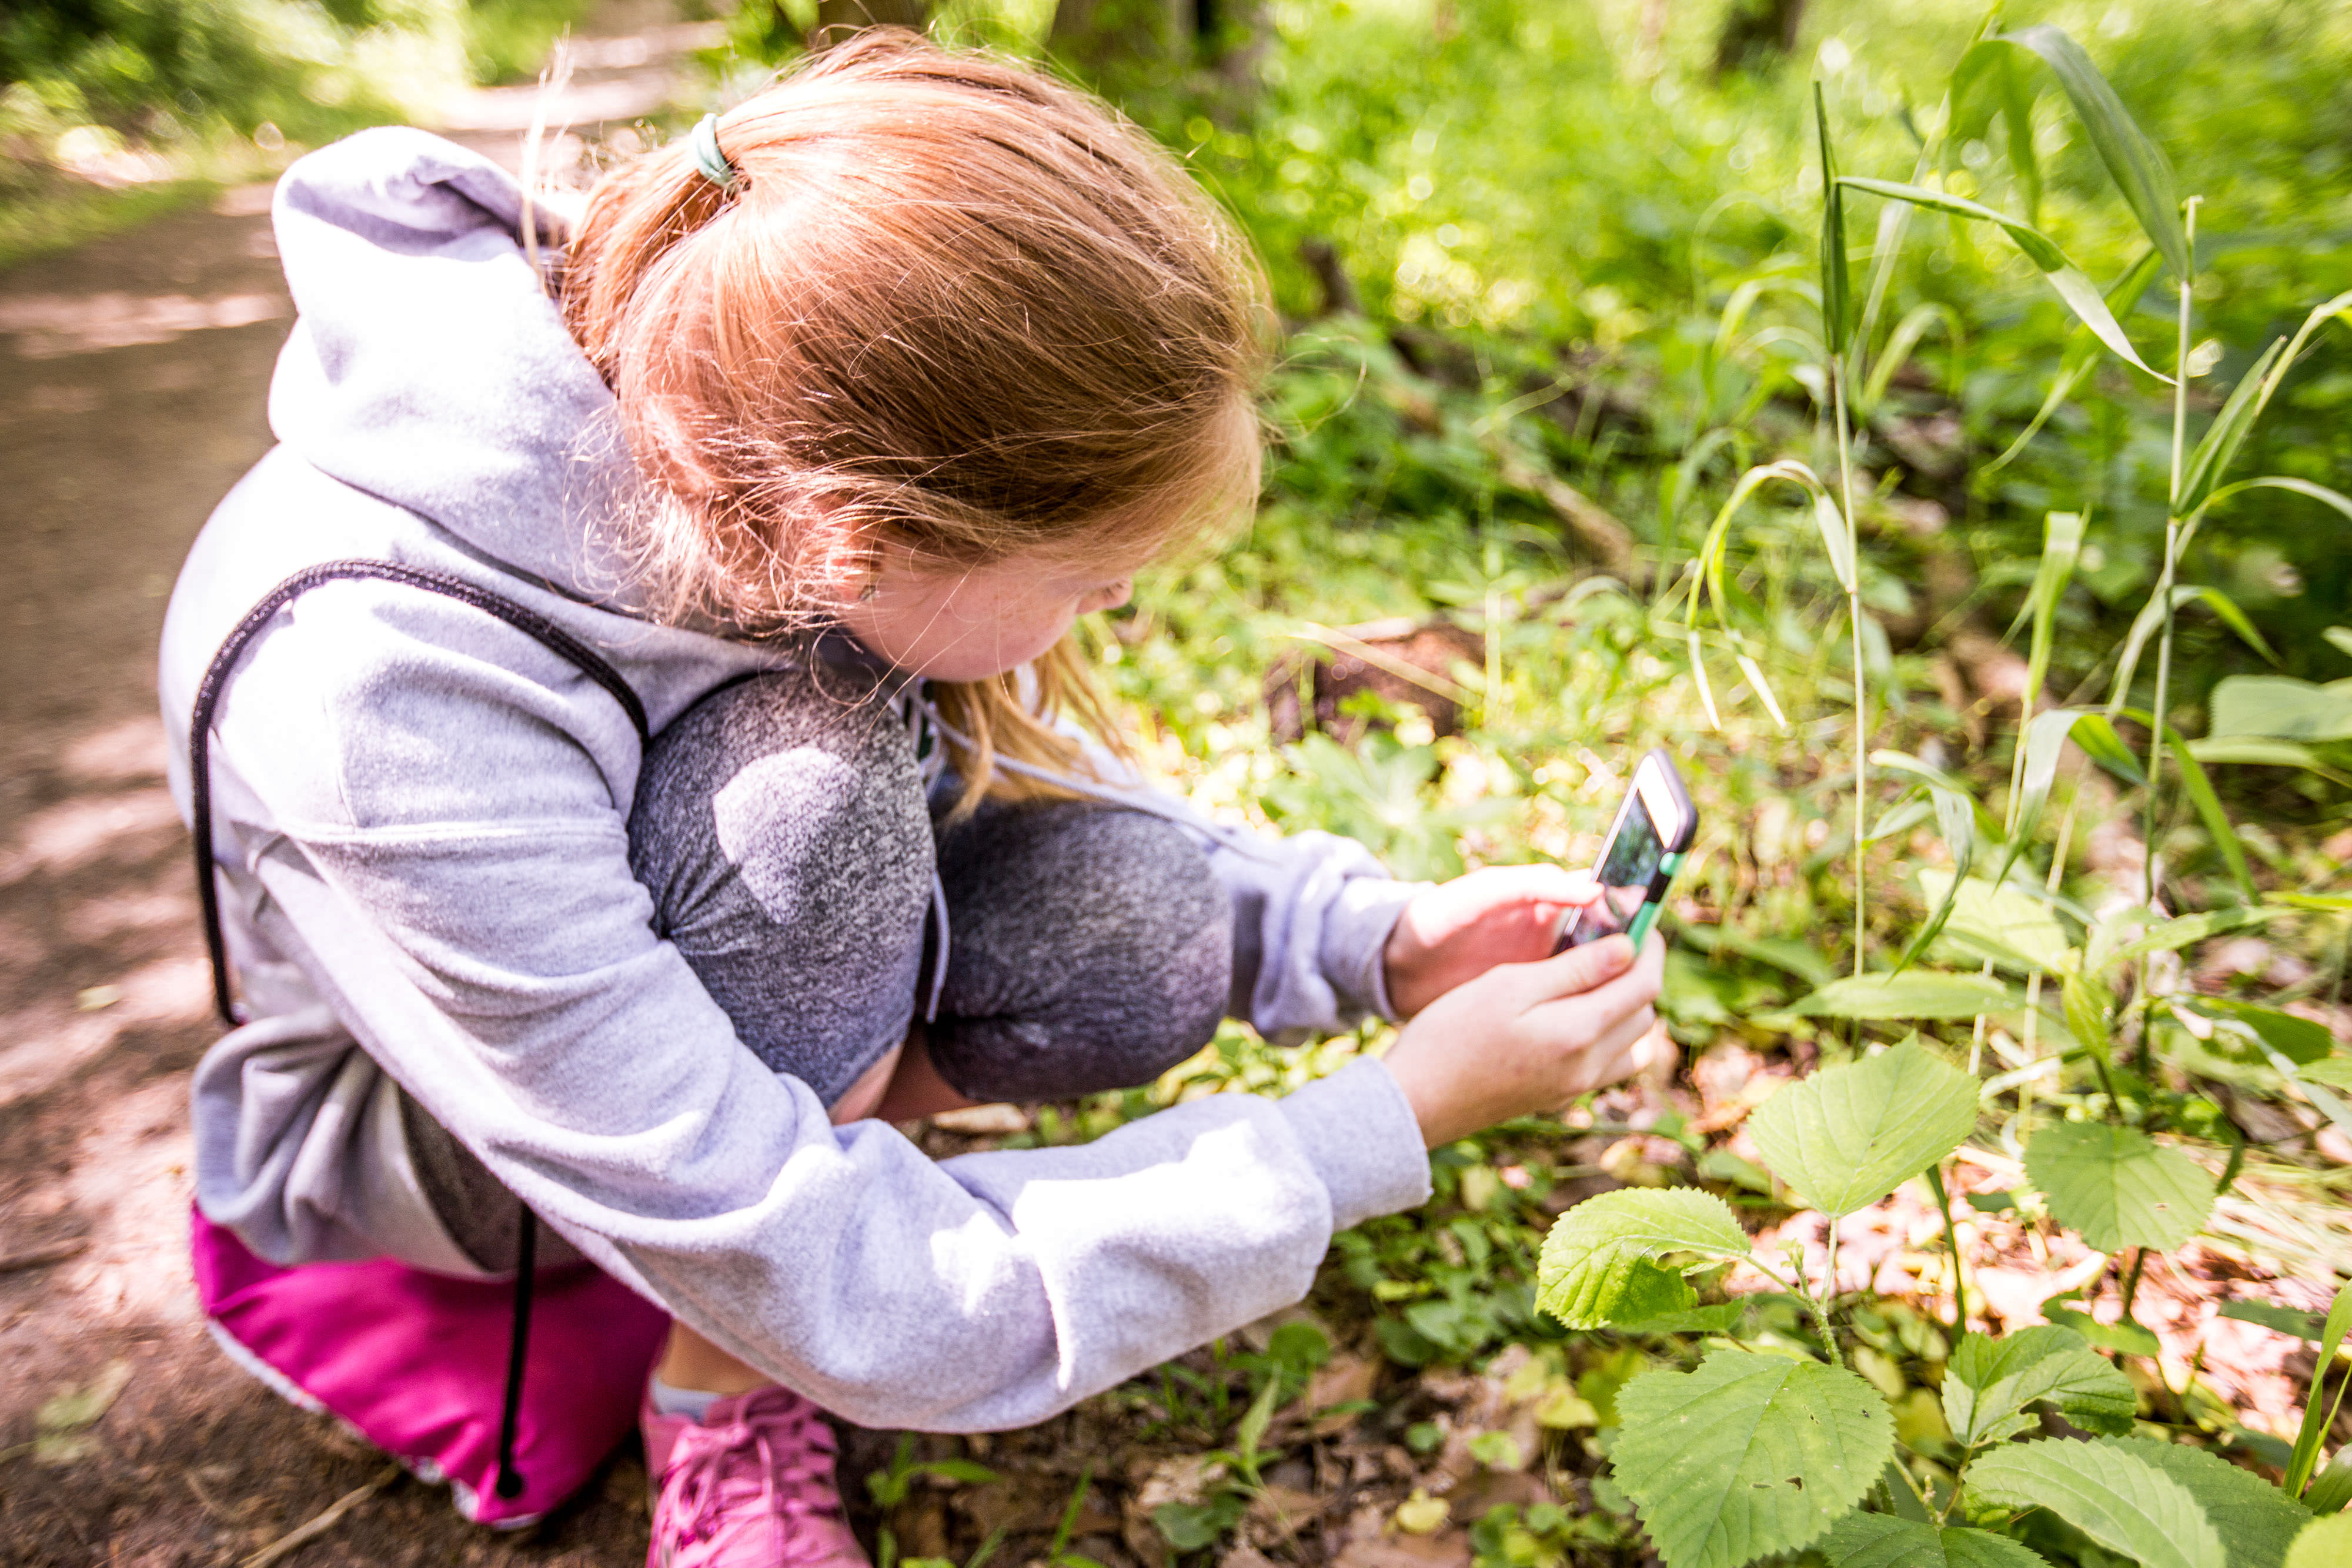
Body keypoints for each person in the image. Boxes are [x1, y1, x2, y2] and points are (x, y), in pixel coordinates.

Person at [161, 31, 1665, 1568]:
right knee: (817, 798)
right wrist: (1380, 1118)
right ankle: (721, 1392)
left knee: (1143, 920)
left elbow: (1030, 782)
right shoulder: (379, 688)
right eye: (1091, 580)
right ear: (854, 538)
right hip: (430, 1152)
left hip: (662, 1019)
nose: (1124, 597)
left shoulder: (740, 398)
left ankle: (819, 1129)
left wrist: (1381, 944)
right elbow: (857, 1286)